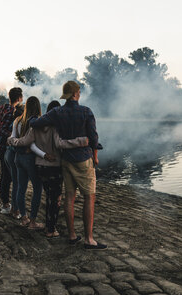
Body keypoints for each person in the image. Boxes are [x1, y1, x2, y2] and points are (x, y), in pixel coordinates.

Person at [30, 81, 107, 249]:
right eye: (78, 92)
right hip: (83, 160)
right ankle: (89, 239)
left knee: (69, 197)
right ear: (74, 94)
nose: (79, 94)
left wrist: (30, 116)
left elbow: (35, 123)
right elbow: (94, 138)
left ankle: (72, 235)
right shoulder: (86, 112)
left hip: (66, 160)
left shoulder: (57, 112)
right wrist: (95, 155)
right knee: (89, 197)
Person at [8, 100, 89, 238]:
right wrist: (81, 141)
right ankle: (51, 229)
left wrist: (11, 140)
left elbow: (25, 142)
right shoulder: (56, 127)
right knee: (55, 198)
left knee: (47, 196)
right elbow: (59, 144)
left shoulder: (36, 125)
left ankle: (39, 222)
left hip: (40, 166)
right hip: (54, 167)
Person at [0, 87, 23, 214]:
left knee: (5, 176)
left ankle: (5, 202)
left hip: (1, 148)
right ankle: (6, 205)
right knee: (8, 176)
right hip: (7, 148)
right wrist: (11, 138)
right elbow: (4, 130)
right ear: (19, 98)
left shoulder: (3, 108)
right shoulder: (12, 111)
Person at [11, 96, 44, 230]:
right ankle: (33, 222)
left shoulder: (17, 120)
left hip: (18, 157)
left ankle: (24, 218)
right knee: (37, 188)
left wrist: (13, 142)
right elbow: (32, 144)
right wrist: (45, 155)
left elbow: (13, 138)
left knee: (21, 188)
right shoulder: (35, 122)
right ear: (37, 107)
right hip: (30, 159)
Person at [4, 103, 24, 219]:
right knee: (17, 183)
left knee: (15, 182)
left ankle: (14, 208)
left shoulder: (14, 121)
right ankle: (15, 210)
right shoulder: (20, 122)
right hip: (12, 154)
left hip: (8, 153)